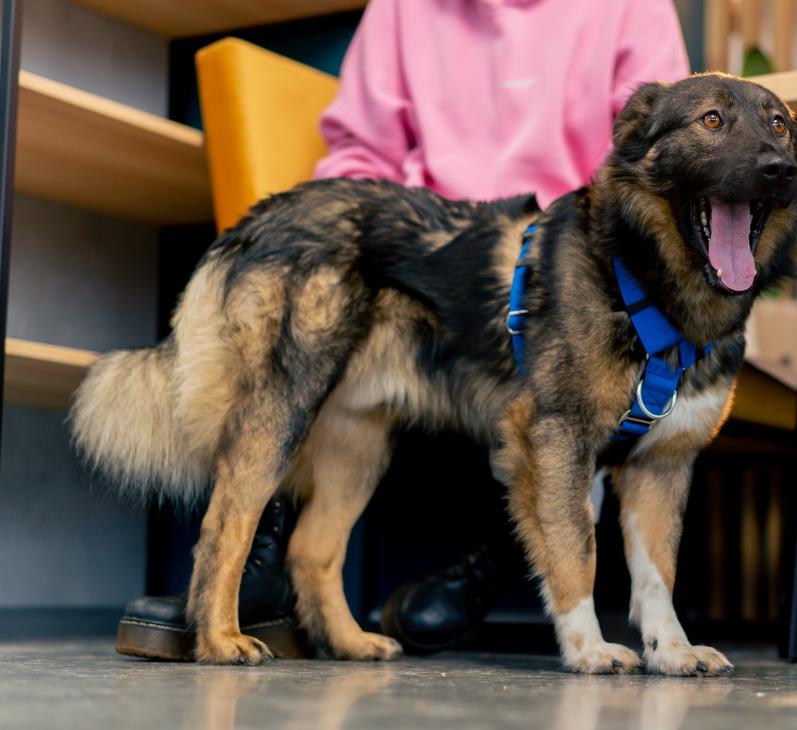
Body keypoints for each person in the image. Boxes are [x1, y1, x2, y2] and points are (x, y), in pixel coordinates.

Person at [116, 0, 689, 660]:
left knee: (583, 388)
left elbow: (656, 151)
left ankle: (503, 557)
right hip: (424, 251)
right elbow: (361, 150)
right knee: (308, 392)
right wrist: (357, 256)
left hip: (563, 252)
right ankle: (248, 580)